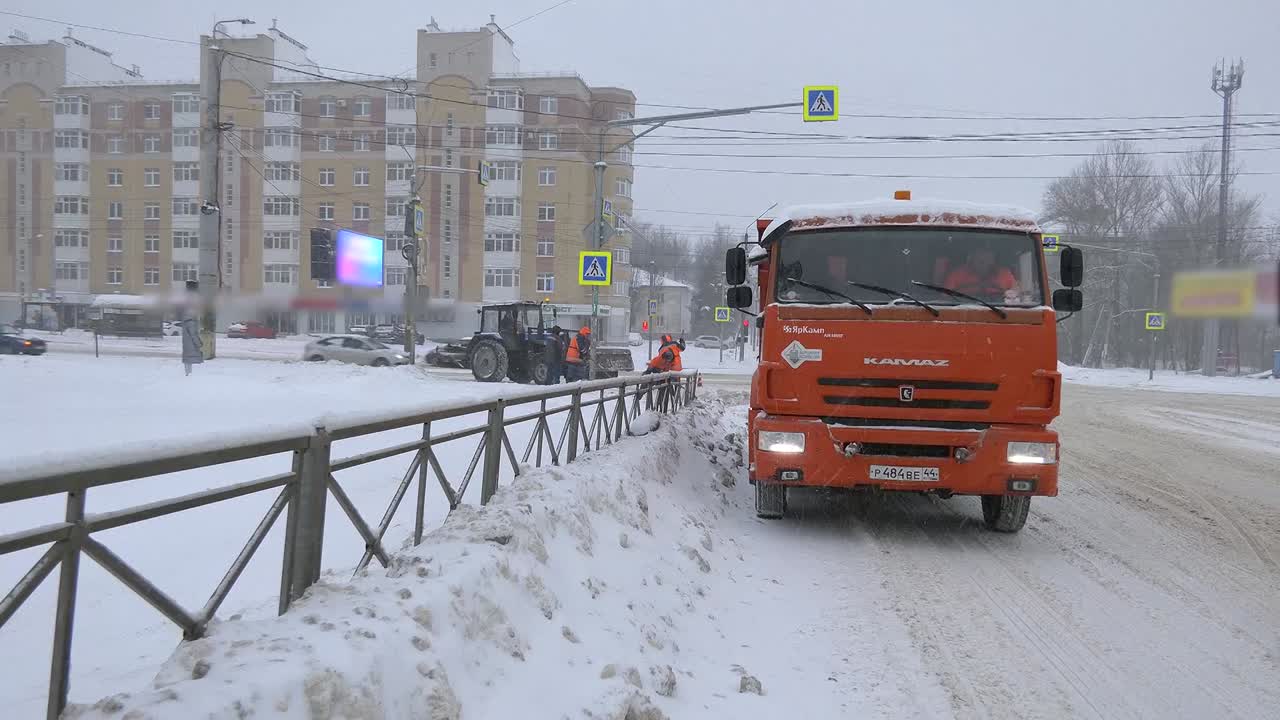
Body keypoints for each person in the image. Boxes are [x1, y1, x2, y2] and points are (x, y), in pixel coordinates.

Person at [942, 246, 1019, 300]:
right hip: (964, 311)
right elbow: (945, 297)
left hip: (998, 312)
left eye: (987, 257)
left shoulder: (1005, 274)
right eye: (979, 257)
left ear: (993, 259)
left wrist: (1011, 294)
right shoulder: (957, 274)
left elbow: (1017, 294)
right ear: (972, 258)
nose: (984, 261)